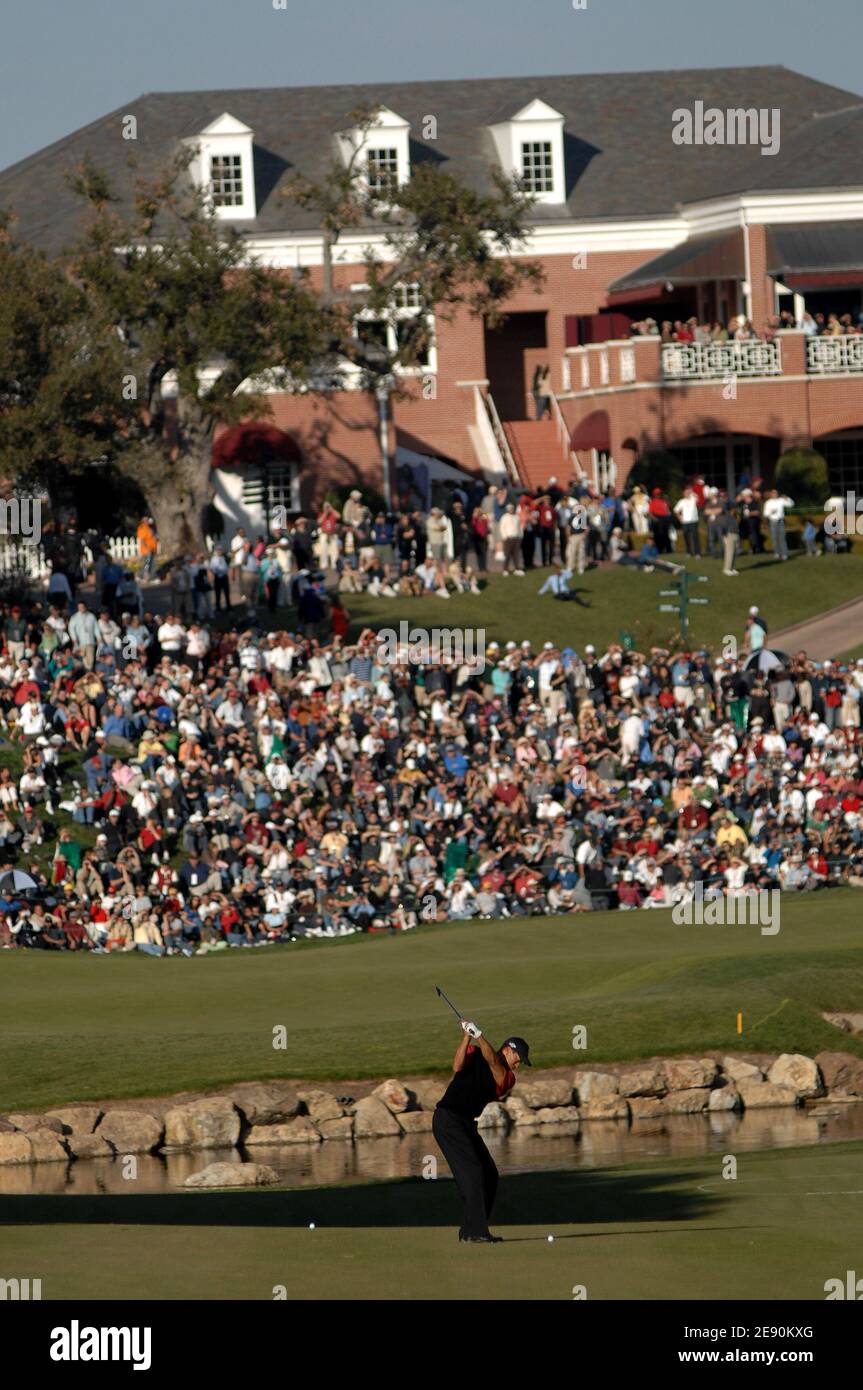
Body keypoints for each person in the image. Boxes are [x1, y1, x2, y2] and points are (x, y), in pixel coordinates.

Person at [432, 1021, 530, 1243]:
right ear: (508, 1049)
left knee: (489, 1174)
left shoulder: (506, 1078)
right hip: (447, 1119)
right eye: (518, 1059)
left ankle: (470, 1229)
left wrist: (480, 1036)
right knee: (474, 1173)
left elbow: (493, 1062)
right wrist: (467, 1036)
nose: (518, 1065)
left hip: (465, 1123)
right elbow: (457, 1066)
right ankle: (475, 1231)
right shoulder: (475, 1053)